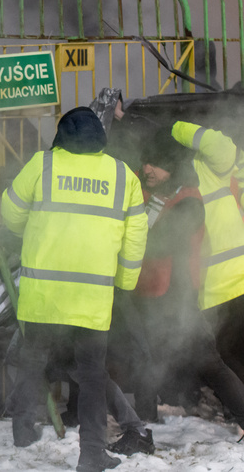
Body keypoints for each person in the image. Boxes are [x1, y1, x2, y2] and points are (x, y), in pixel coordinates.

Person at [1, 107, 148, 472]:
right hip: (91, 298)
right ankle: (92, 455)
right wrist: (125, 284)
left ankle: (22, 430)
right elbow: (135, 239)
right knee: (93, 376)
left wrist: (38, 230)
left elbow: (10, 214)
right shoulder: (122, 175)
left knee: (33, 361)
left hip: (43, 295)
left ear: (61, 136)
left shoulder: (42, 165)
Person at [123, 128, 244, 441]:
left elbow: (161, 242)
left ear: (172, 164)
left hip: (177, 298)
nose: (147, 168)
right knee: (143, 360)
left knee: (210, 364)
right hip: (143, 293)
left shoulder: (188, 198)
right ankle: (145, 422)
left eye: (156, 163)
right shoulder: (145, 188)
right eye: (145, 162)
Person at [169, 122, 244, 384]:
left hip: (233, 281)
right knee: (226, 356)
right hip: (212, 289)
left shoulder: (210, 167)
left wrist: (175, 127)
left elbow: (222, 146)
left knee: (227, 357)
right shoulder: (176, 182)